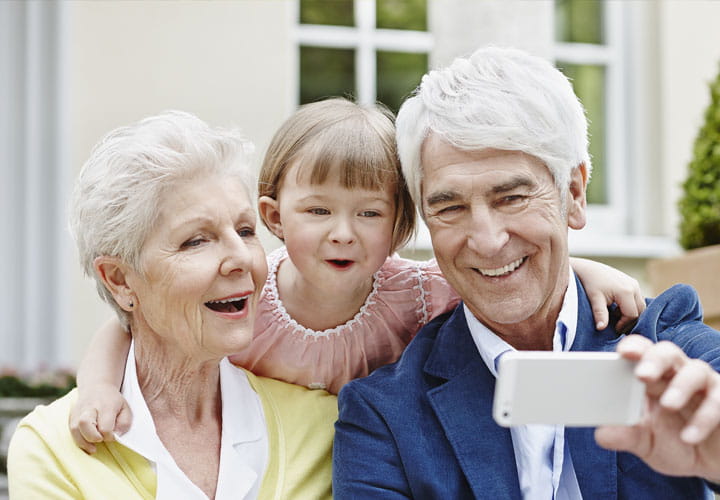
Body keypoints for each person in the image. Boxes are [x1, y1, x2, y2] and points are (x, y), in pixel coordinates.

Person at [70, 99, 644, 451]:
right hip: (273, 464)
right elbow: (125, 325)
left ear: (398, 227)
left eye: (368, 213)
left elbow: (495, 273)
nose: (342, 232)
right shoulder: (247, 294)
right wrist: (97, 387)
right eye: (317, 211)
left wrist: (581, 269)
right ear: (274, 217)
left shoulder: (418, 293)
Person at [332, 46, 720, 499]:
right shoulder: (383, 418)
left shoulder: (671, 353)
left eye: (511, 198)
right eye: (450, 207)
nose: (487, 240)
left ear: (573, 194)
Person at [7, 111, 336, 499]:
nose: (242, 258)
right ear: (119, 279)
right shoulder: (51, 450)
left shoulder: (323, 428)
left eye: (246, 231)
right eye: (196, 240)